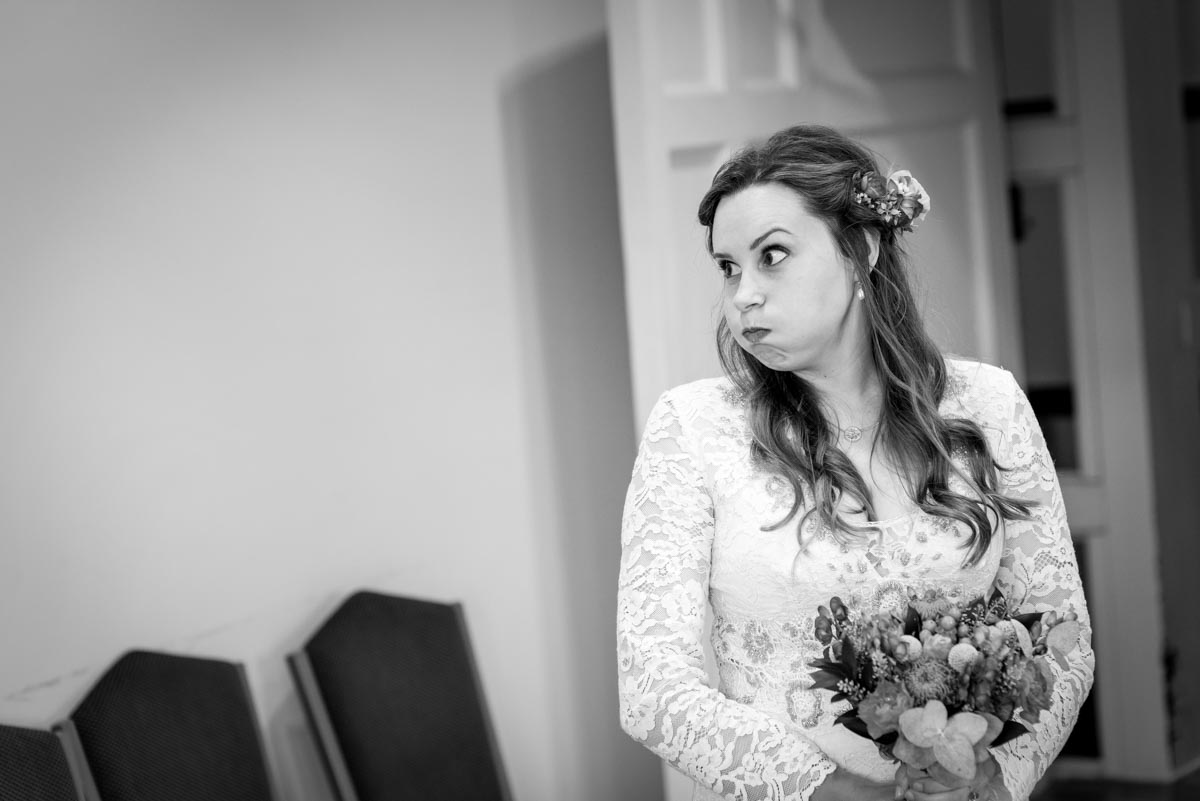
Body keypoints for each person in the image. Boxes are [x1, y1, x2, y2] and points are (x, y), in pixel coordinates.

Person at [616, 124, 1093, 801]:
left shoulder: (990, 404)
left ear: (861, 247)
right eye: (728, 267)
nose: (743, 293)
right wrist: (832, 790)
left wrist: (995, 777)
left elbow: (1064, 638)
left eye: (771, 255)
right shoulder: (694, 428)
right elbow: (652, 690)